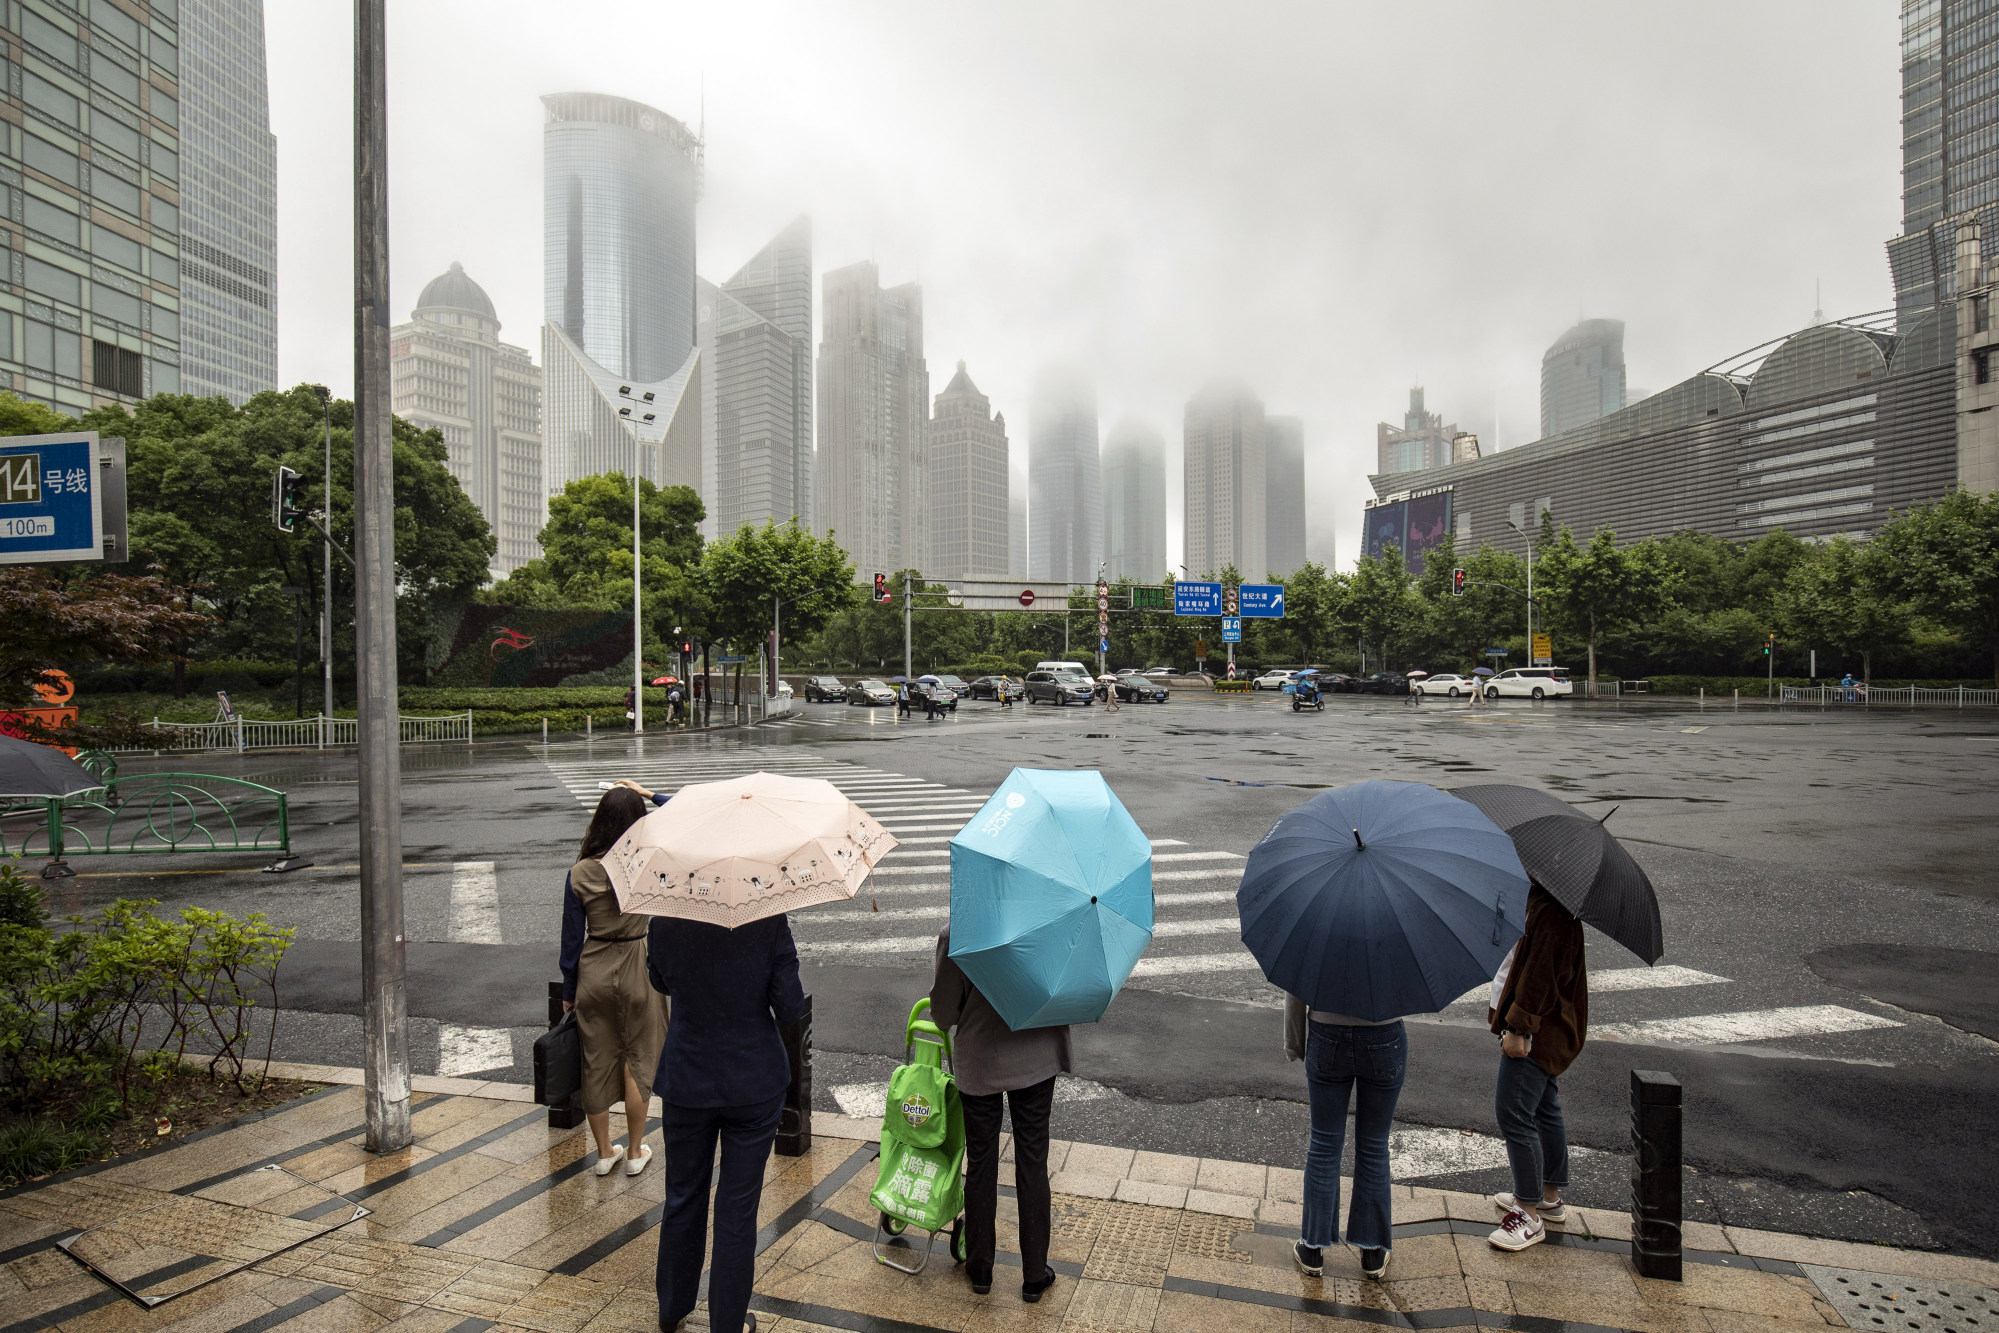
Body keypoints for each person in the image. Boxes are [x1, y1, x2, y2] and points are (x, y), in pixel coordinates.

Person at [649, 891, 805, 1333]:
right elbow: (791, 1007)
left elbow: (660, 980)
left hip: (686, 1076)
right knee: (737, 1210)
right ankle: (728, 1324)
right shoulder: (767, 917)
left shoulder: (665, 917)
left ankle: (672, 1307)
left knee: (683, 1195)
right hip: (752, 1080)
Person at [929, 926, 1066, 1304]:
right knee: (1033, 1162)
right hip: (1036, 1055)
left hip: (981, 1059)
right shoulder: (1048, 924)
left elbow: (942, 1014)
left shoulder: (959, 931)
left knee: (982, 1161)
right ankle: (1035, 1275)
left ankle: (980, 1268)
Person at [559, 780, 670, 1179]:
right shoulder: (647, 863)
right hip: (639, 964)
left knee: (596, 1059)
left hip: (594, 966)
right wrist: (649, 793)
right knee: (639, 1059)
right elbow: (686, 816)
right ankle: (637, 1149)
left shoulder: (579, 873)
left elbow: (570, 942)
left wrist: (569, 992)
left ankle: (605, 1152)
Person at [1487, 884, 1589, 1253]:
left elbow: (1541, 978)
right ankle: (1548, 1195)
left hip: (1537, 1032)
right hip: (1550, 1029)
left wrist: (1519, 1028)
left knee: (1513, 1111)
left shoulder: (1551, 911)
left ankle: (1528, 1213)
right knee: (1544, 1107)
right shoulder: (1546, 901)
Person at [1283, 993, 1405, 1281]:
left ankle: (1313, 1246)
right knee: (1374, 1146)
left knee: (1324, 1144)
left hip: (1327, 1030)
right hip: (1384, 1031)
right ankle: (1373, 1250)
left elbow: (1296, 989)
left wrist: (1295, 1043)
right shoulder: (1392, 943)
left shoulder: (1318, 943)